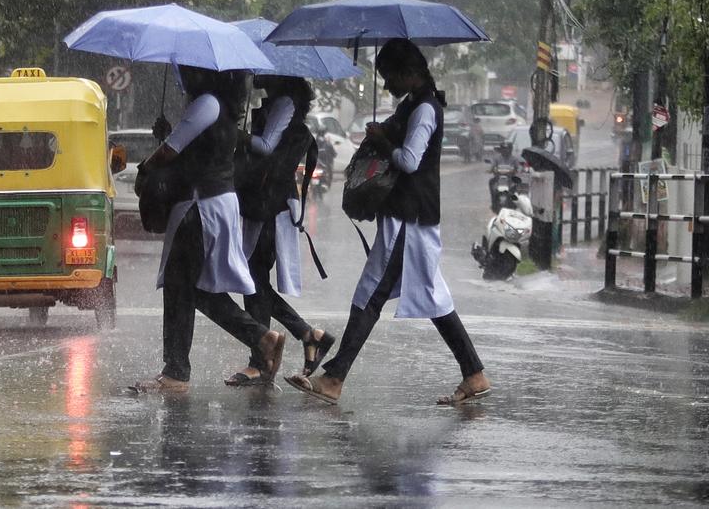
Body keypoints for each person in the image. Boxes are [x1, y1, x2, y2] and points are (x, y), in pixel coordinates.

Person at [286, 39, 491, 406]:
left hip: (408, 219)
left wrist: (383, 142)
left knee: (370, 293)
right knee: (432, 297)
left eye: (390, 77)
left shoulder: (425, 109)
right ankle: (473, 373)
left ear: (409, 73)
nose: (387, 85)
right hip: (409, 216)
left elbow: (410, 160)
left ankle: (334, 378)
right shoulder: (412, 104)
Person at [131, 66, 286, 394]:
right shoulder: (217, 106)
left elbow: (170, 152)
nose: (182, 78)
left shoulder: (207, 103)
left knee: (180, 285)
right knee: (192, 288)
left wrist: (144, 167)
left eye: (186, 72)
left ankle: (177, 372)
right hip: (208, 204)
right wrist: (171, 132)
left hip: (201, 207)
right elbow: (191, 149)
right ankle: (260, 337)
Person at [225, 75, 334, 387]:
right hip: (266, 203)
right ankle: (307, 335)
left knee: (253, 278)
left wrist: (235, 134)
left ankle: (261, 361)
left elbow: (266, 145)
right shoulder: (277, 102)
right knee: (253, 278)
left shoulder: (284, 102)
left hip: (271, 205)